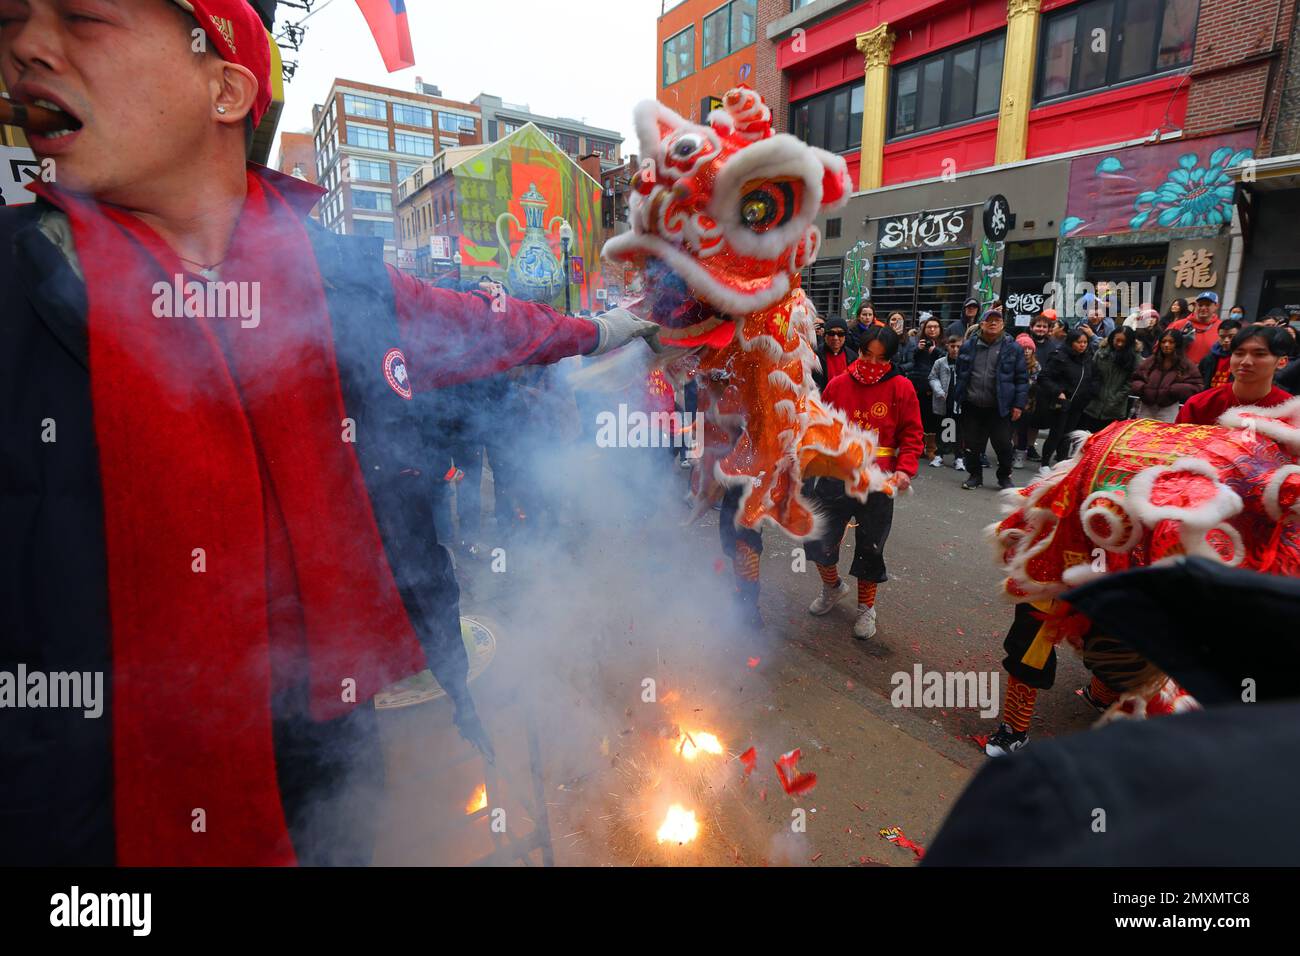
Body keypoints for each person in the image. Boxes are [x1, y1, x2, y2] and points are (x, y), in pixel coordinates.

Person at [0, 0, 660, 866]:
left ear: (225, 85)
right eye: (11, 21)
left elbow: (501, 325)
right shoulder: (20, 294)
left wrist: (625, 327)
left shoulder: (344, 279)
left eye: (82, 18)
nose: (26, 50)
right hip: (99, 827)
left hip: (336, 750)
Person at [805, 326, 923, 640]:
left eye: (880, 358)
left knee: (870, 548)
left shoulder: (902, 387)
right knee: (817, 540)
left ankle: (866, 608)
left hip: (878, 480)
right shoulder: (838, 383)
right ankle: (832, 588)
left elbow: (912, 436)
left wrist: (905, 470)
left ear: (890, 359)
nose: (871, 363)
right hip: (835, 476)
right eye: (867, 354)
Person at [953, 310, 1028, 489]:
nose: (993, 323)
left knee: (1003, 444)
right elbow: (960, 372)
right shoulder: (969, 345)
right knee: (972, 444)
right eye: (989, 320)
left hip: (1000, 406)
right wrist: (960, 395)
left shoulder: (1013, 347)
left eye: (997, 320)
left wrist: (1018, 405)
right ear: (982, 324)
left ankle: (1004, 477)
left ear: (1002, 324)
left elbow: (1021, 378)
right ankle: (975, 476)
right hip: (972, 404)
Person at [1176, 325, 1293, 425]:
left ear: (1281, 362)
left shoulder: (1291, 411)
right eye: (1239, 353)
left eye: (1259, 354)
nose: (1245, 362)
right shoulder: (1199, 404)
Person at [1036, 330, 1097, 467]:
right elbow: (1044, 377)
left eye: (1085, 342)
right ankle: (1045, 464)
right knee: (1056, 434)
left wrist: (1091, 392)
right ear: (1071, 342)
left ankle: (1061, 463)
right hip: (1061, 402)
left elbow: (1092, 378)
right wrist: (1058, 392)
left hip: (1078, 403)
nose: (1082, 345)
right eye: (1079, 342)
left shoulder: (1087, 358)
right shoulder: (1060, 356)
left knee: (1068, 435)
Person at [1130, 330, 1204, 422]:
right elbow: (1135, 379)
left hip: (1169, 408)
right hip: (1146, 406)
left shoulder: (1186, 364)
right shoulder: (1151, 361)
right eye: (1164, 342)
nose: (1166, 345)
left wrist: (1175, 389)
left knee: (1165, 433)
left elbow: (1198, 386)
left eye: (1171, 342)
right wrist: (1143, 388)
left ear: (1177, 344)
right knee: (1143, 433)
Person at [1080, 327, 1139, 432]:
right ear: (1112, 338)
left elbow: (1130, 383)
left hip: (1115, 408)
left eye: (1123, 342)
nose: (1120, 344)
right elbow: (1091, 373)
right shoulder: (1101, 352)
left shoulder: (1134, 358)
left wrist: (1114, 400)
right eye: (1117, 340)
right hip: (1094, 404)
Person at [907, 316, 944, 461]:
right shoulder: (916, 343)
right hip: (919, 387)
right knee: (919, 419)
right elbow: (909, 360)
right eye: (929, 327)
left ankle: (931, 449)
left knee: (934, 420)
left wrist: (936, 350)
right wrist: (917, 349)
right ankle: (918, 447)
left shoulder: (944, 344)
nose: (932, 329)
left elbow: (948, 359)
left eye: (935, 327)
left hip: (937, 389)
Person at [928, 335, 964, 468]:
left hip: (959, 401)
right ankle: (939, 455)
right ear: (947, 346)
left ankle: (959, 457)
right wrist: (939, 390)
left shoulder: (965, 362)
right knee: (943, 427)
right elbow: (932, 377)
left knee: (958, 430)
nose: (955, 349)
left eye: (958, 347)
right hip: (944, 400)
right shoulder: (940, 362)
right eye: (952, 346)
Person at [1168, 290, 1222, 364]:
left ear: (1216, 306)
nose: (1203, 308)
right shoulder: (1178, 325)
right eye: (1200, 305)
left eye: (1207, 305)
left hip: (1207, 373)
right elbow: (1158, 348)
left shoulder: (1222, 328)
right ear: (1195, 306)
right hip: (1178, 372)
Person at [1011, 333, 1040, 469]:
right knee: (1009, 429)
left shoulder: (1036, 366)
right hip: (1011, 400)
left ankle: (1020, 455)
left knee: (1023, 430)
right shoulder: (1011, 362)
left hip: (1027, 403)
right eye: (1024, 348)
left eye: (1029, 348)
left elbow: (1032, 384)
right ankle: (1010, 451)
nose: (1027, 351)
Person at [812, 315, 857, 391]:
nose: (835, 338)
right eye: (831, 333)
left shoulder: (853, 357)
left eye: (840, 334)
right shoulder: (815, 356)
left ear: (845, 336)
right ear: (825, 335)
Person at [1197, 318, 1241, 390]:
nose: (1226, 340)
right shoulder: (1208, 359)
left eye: (1231, 337)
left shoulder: (1243, 360)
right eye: (1222, 337)